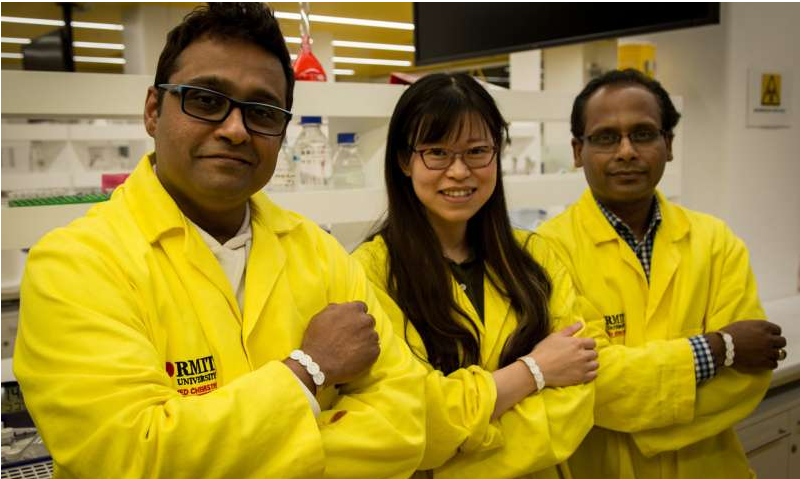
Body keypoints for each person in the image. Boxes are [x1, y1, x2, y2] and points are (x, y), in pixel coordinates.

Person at [13, 4, 426, 478]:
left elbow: (405, 422)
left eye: (262, 112)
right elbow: (130, 457)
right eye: (206, 100)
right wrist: (309, 369)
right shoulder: (76, 264)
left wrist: (234, 452)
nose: (235, 130)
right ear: (153, 111)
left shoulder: (318, 252)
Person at [537, 68, 788, 479]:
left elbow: (750, 376)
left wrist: (637, 407)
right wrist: (721, 348)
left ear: (668, 145)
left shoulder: (715, 242)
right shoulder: (546, 251)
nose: (626, 151)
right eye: (606, 138)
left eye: (643, 134)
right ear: (578, 151)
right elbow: (590, 387)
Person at [352, 73, 599, 479]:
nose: (459, 171)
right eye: (437, 152)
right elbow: (415, 419)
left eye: (477, 151)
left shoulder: (535, 258)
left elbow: (576, 397)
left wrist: (456, 456)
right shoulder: (370, 272)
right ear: (404, 160)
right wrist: (535, 370)